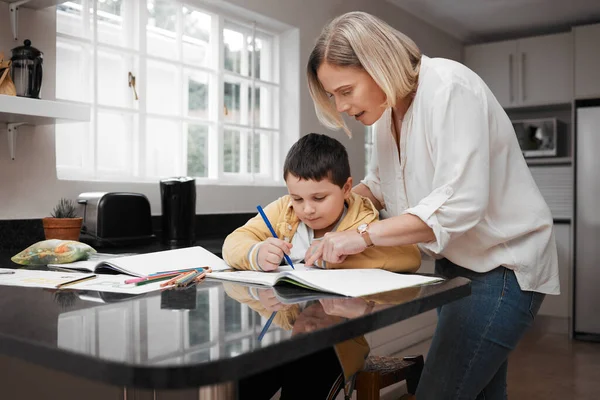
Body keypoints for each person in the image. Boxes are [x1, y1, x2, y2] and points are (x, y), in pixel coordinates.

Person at [304, 11, 559, 400]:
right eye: (333, 96)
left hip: (502, 268)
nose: (340, 107)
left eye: (345, 91)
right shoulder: (388, 115)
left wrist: (361, 235)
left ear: (377, 64)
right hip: (454, 266)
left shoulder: (450, 88)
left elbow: (459, 202)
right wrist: (332, 201)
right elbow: (384, 186)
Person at [222, 132, 420, 273]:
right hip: (293, 315)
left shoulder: (363, 216)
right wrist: (255, 254)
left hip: (343, 320)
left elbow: (410, 256)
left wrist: (336, 260)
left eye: (319, 198)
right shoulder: (283, 209)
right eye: (297, 198)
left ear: (346, 188)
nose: (307, 209)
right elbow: (232, 243)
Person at [223, 282, 370, 400]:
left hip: (331, 353)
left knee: (308, 358)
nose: (310, 326)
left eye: (301, 334)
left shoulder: (356, 305)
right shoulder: (284, 311)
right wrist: (256, 292)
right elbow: (230, 286)